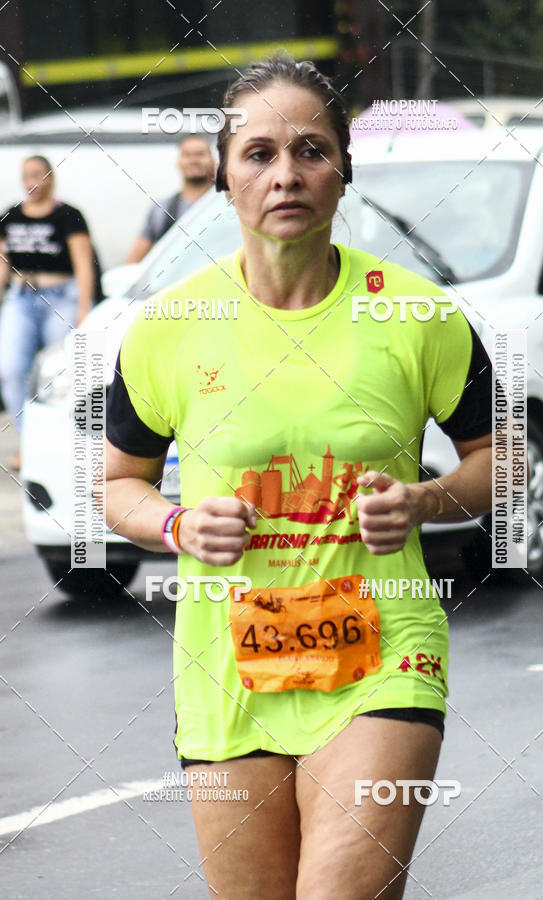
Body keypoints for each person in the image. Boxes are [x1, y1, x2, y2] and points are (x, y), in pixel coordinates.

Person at [104, 53, 493, 898]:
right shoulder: (169, 327)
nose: (286, 174)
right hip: (228, 667)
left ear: (344, 170)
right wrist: (176, 524)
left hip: (384, 654)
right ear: (223, 178)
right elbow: (115, 484)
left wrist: (423, 500)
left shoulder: (418, 314)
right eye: (259, 154)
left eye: (311, 150)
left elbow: (498, 459)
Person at [0, 155, 94, 469]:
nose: (33, 182)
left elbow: (84, 264)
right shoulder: (10, 216)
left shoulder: (68, 215)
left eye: (38, 175)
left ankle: (59, 443)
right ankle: (29, 442)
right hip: (21, 297)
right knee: (11, 369)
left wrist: (84, 309)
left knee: (57, 371)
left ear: (51, 177)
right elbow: (2, 265)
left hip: (61, 296)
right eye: (27, 176)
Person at [125, 135, 215, 263]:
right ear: (178, 162)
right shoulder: (162, 208)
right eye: (187, 155)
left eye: (200, 154)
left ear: (213, 161)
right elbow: (134, 259)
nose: (193, 160)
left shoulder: (227, 204)